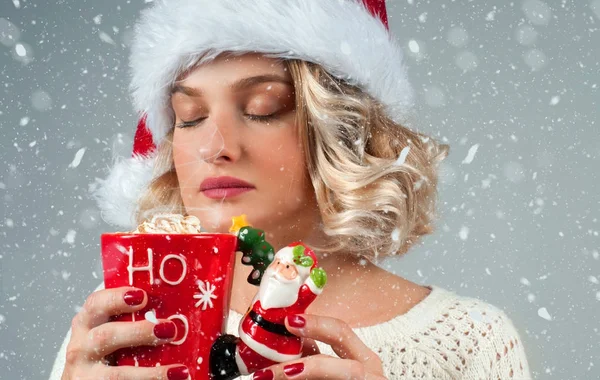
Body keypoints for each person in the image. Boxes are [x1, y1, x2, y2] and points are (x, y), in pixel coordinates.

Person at [51, 0, 532, 379]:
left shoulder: (471, 340)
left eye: (262, 107)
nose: (215, 147)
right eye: (190, 118)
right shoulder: (125, 322)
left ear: (338, 131)